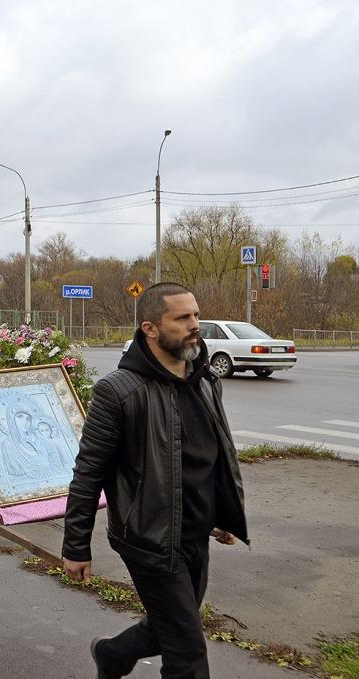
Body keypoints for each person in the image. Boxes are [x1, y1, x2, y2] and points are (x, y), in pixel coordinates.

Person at [62, 282, 249, 679]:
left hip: (194, 532)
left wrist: (222, 515)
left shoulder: (206, 380)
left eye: (196, 315)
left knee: (173, 626)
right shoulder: (118, 391)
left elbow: (210, 458)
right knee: (188, 653)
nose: (195, 325)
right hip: (148, 537)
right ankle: (115, 656)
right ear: (150, 328)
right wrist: (76, 545)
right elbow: (88, 471)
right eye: (182, 318)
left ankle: (113, 655)